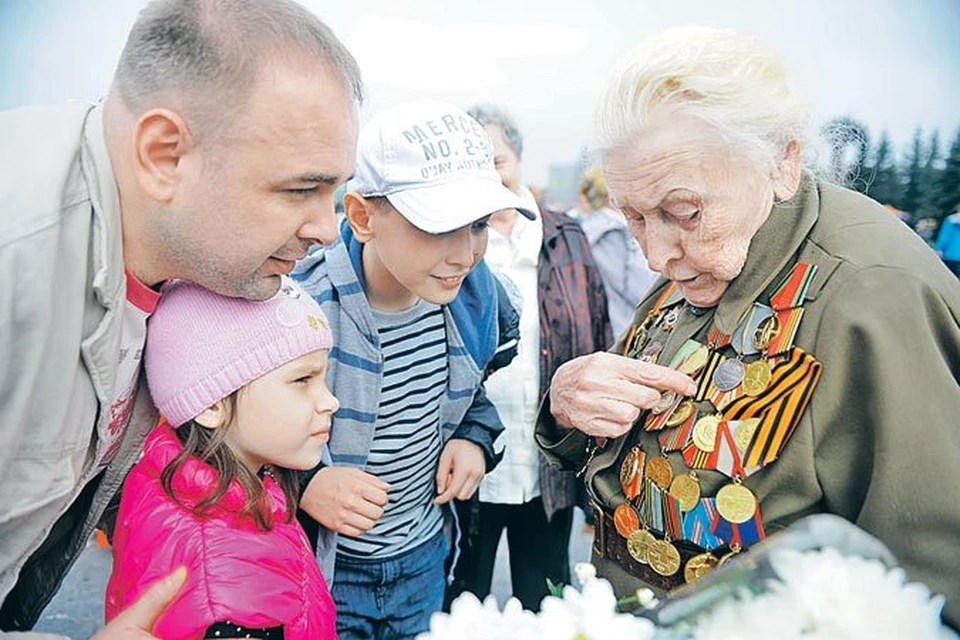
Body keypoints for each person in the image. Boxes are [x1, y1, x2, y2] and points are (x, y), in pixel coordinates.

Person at [536, 26, 960, 629]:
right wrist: (568, 402)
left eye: (682, 212)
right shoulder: (707, 256)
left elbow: (927, 592)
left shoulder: (875, 294)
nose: (655, 255)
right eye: (632, 218)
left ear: (782, 162)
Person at [0, 0, 361, 635]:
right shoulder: (15, 259)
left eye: (334, 191)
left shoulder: (190, 270)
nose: (326, 230)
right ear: (165, 154)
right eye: (301, 188)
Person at [293, 100, 532, 640]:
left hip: (424, 553)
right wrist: (307, 482)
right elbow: (244, 438)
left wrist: (473, 439)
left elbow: (472, 397)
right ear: (362, 216)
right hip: (326, 562)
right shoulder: (303, 310)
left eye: (475, 226)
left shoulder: (479, 301)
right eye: (437, 226)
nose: (464, 255)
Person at [445, 104, 611, 611]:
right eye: (473, 166)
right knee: (461, 600)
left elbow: (598, 339)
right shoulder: (449, 241)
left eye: (497, 160)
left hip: (549, 465)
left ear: (518, 158)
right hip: (465, 464)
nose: (489, 176)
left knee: (546, 599)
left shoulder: (565, 237)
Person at [106, 278, 339, 639]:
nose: (330, 402)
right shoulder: (230, 602)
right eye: (302, 380)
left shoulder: (171, 476)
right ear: (212, 404)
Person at [575, 166, 658, 336]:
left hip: (605, 325)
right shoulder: (612, 232)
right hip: (622, 327)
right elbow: (639, 290)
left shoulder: (588, 229)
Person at [935, 207, 960, 277]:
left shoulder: (950, 220)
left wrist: (938, 248)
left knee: (950, 278)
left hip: (949, 254)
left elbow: (944, 236)